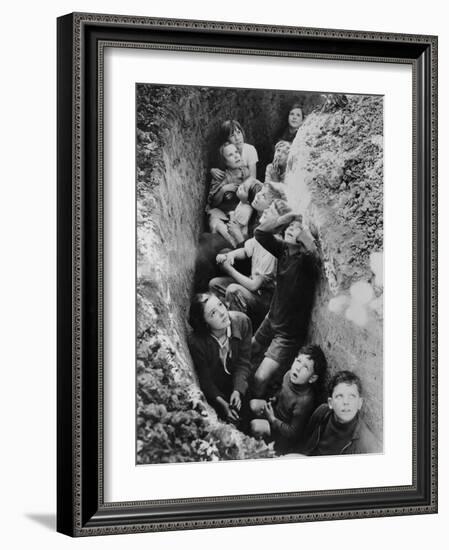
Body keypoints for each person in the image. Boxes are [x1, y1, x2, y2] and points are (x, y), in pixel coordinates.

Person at [252, 211, 320, 398]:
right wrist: (286, 218)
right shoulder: (283, 249)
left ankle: (254, 407)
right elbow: (260, 233)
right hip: (271, 318)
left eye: (298, 228)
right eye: (290, 227)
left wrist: (302, 232)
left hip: (288, 334)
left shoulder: (305, 261)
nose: (292, 229)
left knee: (260, 377)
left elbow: (313, 254)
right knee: (250, 350)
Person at [208, 199, 291, 328]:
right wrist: (230, 255)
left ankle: (239, 329)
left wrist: (229, 270)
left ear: (277, 222)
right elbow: (246, 251)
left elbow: (254, 286)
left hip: (264, 301)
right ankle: (222, 320)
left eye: (271, 211)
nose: (266, 210)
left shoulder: (272, 249)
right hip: (253, 290)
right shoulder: (262, 235)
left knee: (233, 290)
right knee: (214, 284)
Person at [187, 293, 253, 424]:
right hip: (215, 389)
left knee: (245, 411)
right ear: (204, 323)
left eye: (220, 305)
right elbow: (205, 380)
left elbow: (243, 363)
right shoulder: (197, 342)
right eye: (213, 313)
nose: (222, 313)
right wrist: (223, 405)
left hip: (238, 379)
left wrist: (238, 390)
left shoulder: (242, 322)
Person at [249, 345, 327, 454]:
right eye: (298, 361)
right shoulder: (288, 375)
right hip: (276, 415)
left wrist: (272, 419)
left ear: (312, 378)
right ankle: (257, 436)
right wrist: (274, 399)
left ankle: (264, 450)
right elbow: (281, 391)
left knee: (255, 426)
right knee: (253, 404)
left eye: (305, 367)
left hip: (283, 435)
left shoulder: (304, 401)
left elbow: (292, 433)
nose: (298, 368)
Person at [301, 370, 379, 455]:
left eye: (352, 396)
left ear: (359, 403)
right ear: (330, 403)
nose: (346, 402)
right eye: (339, 396)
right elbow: (304, 443)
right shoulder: (321, 413)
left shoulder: (366, 443)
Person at [206, 142, 250, 238]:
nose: (236, 156)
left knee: (244, 228)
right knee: (215, 224)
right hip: (221, 213)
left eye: (236, 152)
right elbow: (213, 203)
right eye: (230, 155)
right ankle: (233, 242)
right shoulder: (221, 176)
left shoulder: (245, 172)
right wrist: (223, 190)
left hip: (238, 213)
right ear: (225, 162)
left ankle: (240, 242)